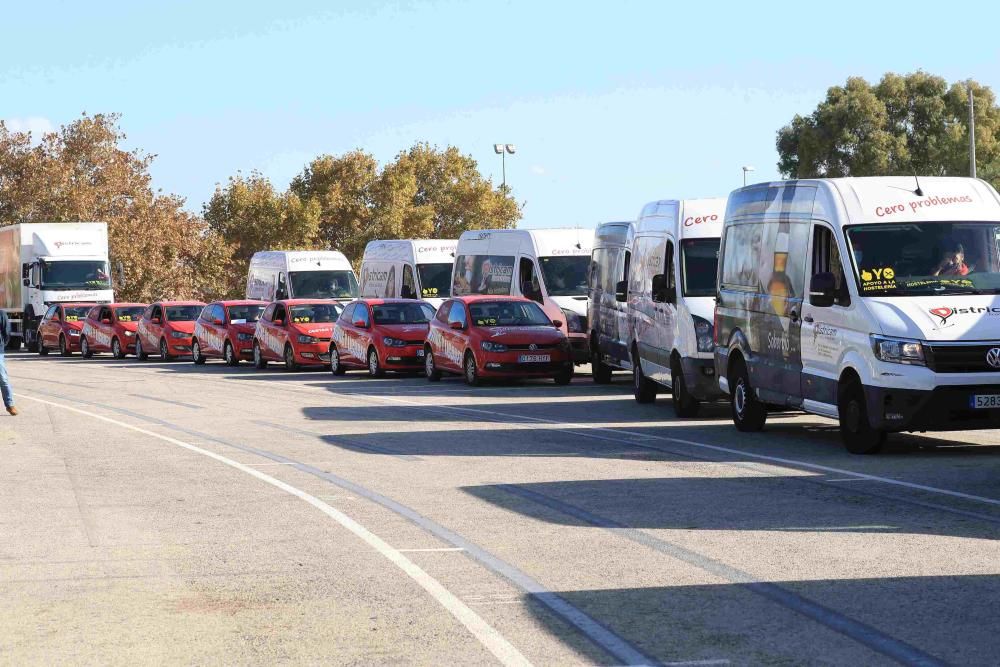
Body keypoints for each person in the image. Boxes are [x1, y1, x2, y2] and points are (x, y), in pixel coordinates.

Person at [0, 310, 17, 416]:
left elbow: (6, 332)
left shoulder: (1, 314)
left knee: (3, 378)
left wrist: (2, 345)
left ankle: (10, 405)